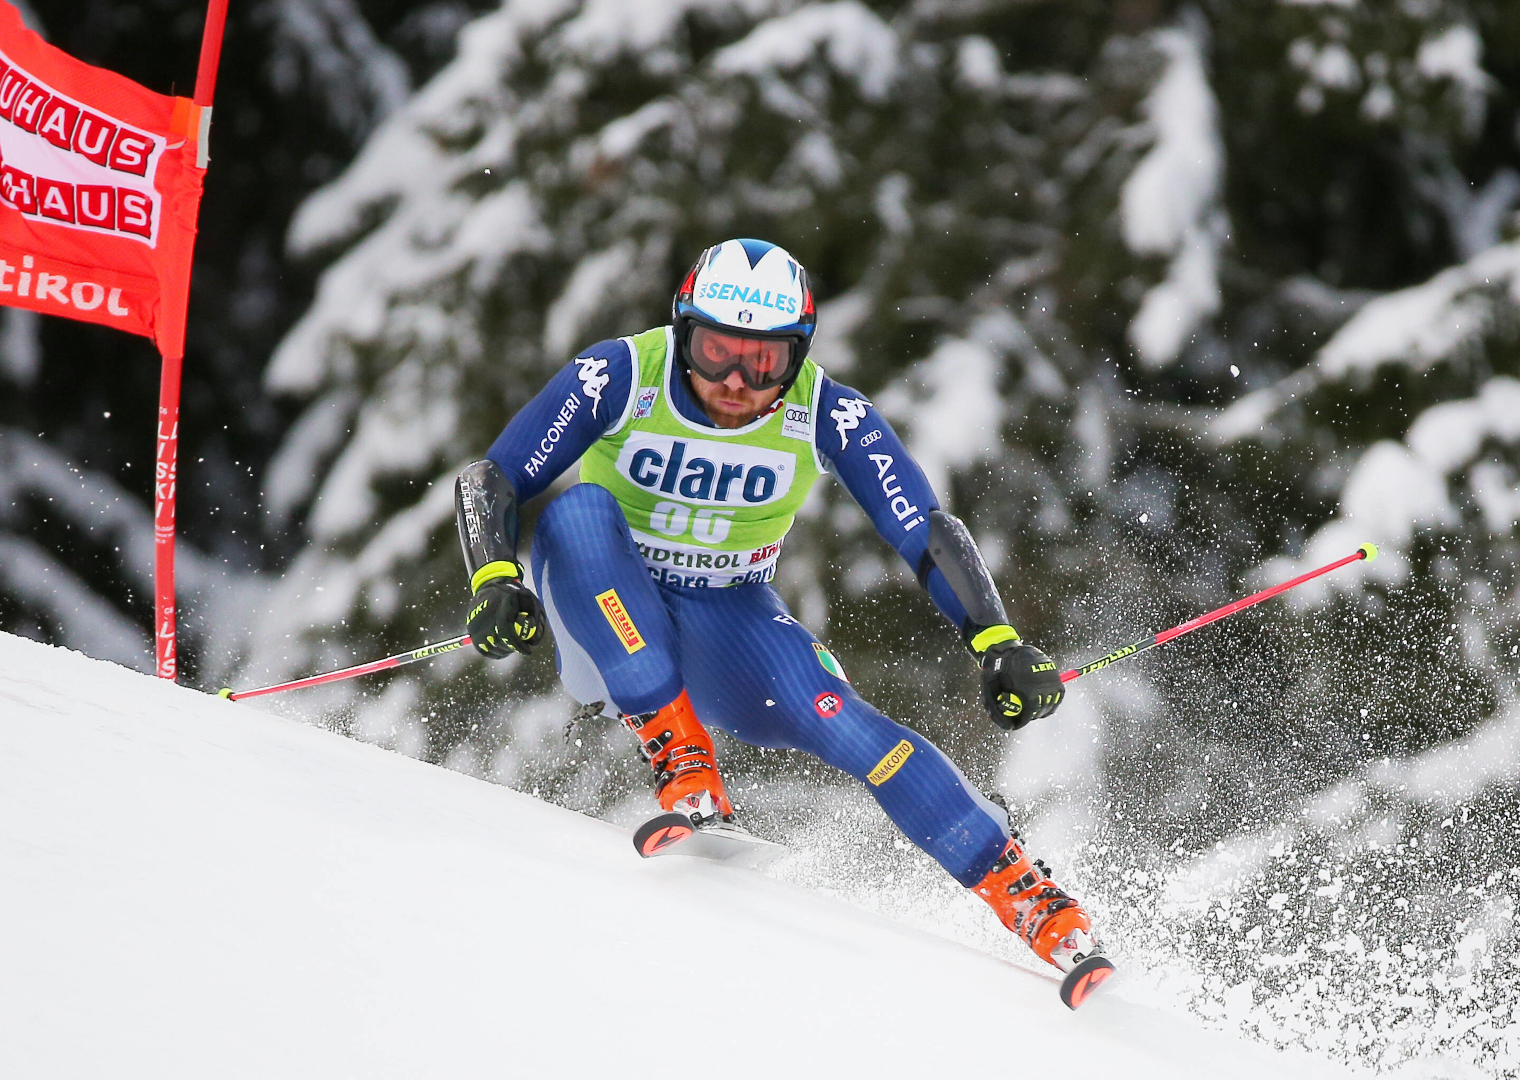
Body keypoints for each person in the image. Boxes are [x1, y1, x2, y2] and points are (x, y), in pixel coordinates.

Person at [451, 238, 1113, 1007]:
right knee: (580, 511)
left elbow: (922, 527)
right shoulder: (623, 373)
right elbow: (493, 476)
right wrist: (495, 576)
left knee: (851, 726)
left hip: (725, 617)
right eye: (715, 352)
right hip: (601, 610)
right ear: (681, 330)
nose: (735, 381)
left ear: (796, 356)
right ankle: (683, 762)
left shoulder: (827, 412)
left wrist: (996, 640)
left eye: (764, 363)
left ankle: (1031, 900)